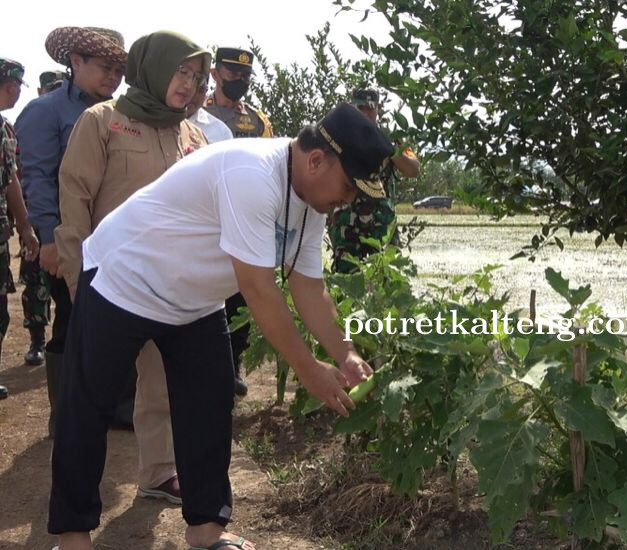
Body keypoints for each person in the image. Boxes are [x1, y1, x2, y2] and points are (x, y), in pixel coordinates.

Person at [49, 103, 393, 550]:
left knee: (209, 406)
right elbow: (258, 289)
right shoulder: (252, 175)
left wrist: (345, 353)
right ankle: (73, 534)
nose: (348, 200)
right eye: (348, 187)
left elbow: (309, 287)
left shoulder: (310, 203)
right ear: (315, 160)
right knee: (88, 407)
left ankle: (206, 528)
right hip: (124, 278)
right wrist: (310, 370)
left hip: (193, 300)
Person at [56, 30, 212, 508]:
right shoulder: (103, 121)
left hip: (170, 285)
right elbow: (76, 201)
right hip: (110, 284)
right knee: (93, 395)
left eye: (196, 75)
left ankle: (159, 473)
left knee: (162, 383)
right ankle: (76, 508)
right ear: (153, 66)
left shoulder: (192, 135)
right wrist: (79, 281)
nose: (188, 83)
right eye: (180, 70)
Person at [15, 26, 126, 435]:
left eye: (118, 70)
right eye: (104, 67)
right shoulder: (46, 112)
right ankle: (65, 415)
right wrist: (49, 239)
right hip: (70, 239)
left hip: (115, 241)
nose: (112, 77)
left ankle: (114, 408)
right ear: (75, 62)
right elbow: (38, 178)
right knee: (71, 322)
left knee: (117, 323)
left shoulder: (123, 115)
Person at [205, 46, 274, 397]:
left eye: (246, 76)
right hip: (208, 219)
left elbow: (270, 164)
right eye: (233, 74)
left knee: (240, 298)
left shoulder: (258, 122)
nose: (240, 81)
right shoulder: (198, 115)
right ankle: (208, 366)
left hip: (245, 220)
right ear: (216, 74)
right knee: (206, 295)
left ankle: (233, 367)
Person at [329, 88, 420, 274]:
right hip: (347, 227)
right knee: (348, 283)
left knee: (388, 280)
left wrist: (388, 149)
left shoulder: (392, 139)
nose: (365, 113)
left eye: (370, 109)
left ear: (378, 109)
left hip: (382, 225)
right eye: (360, 108)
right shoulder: (336, 137)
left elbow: (414, 169)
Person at [19, 69, 68, 367]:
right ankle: (37, 340)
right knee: (36, 285)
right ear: (41, 90)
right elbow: (28, 177)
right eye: (51, 88)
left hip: (65, 222)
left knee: (65, 299)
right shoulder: (37, 117)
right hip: (38, 219)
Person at [0, 58, 41, 400]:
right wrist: (26, 227)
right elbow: (12, 179)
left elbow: (11, 178)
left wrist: (24, 226)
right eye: (14, 87)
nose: (16, 93)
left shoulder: (5, 127)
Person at [186, 77, 232, 143]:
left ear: (206, 91)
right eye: (188, 89)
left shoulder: (221, 132)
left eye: (200, 90)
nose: (193, 96)